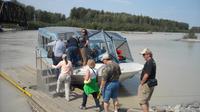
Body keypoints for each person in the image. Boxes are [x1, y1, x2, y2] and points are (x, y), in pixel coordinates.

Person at [138, 48, 157, 112]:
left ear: (148, 54)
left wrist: (142, 83)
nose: (143, 56)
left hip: (146, 84)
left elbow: (147, 74)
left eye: (144, 54)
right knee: (146, 101)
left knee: (142, 102)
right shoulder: (152, 61)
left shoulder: (149, 62)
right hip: (150, 84)